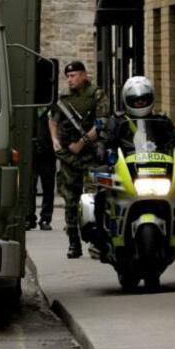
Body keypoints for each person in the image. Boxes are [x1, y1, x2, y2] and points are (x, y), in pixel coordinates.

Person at [95, 76, 175, 287]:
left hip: (157, 174)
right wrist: (104, 153)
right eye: (135, 100)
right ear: (127, 100)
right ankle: (103, 244)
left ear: (151, 99)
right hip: (128, 175)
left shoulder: (162, 122)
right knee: (101, 196)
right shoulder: (117, 122)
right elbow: (105, 141)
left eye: (143, 99)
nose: (140, 104)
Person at [49, 60, 106, 258]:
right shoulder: (64, 99)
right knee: (70, 200)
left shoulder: (97, 95)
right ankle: (73, 241)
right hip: (68, 158)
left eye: (73, 76)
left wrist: (81, 143)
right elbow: (53, 120)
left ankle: (96, 240)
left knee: (93, 199)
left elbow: (101, 124)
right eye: (68, 77)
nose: (70, 80)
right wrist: (55, 140)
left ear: (83, 75)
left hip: (90, 156)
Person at [26, 108, 56, 231]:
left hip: (48, 152)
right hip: (30, 152)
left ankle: (45, 218)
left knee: (48, 186)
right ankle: (28, 217)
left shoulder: (52, 108)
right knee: (29, 186)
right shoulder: (30, 106)